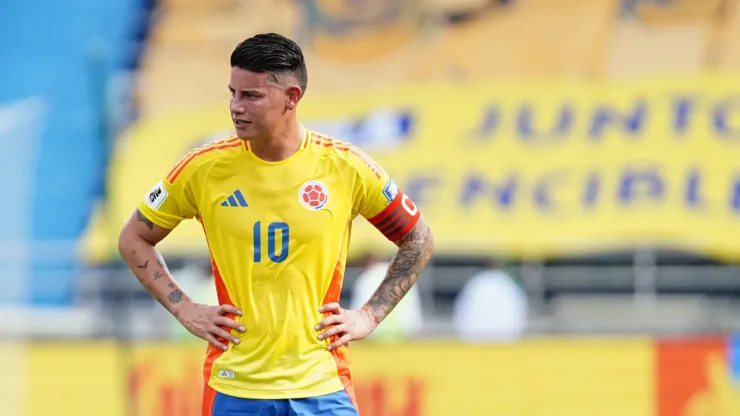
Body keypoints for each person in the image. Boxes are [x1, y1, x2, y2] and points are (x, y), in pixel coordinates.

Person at [117, 33, 434, 416]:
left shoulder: (345, 167)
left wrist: (370, 314)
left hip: (324, 386)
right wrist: (185, 308)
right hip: (235, 385)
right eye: (232, 93)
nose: (236, 107)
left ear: (292, 97)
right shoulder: (203, 169)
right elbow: (133, 238)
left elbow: (418, 237)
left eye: (251, 95)